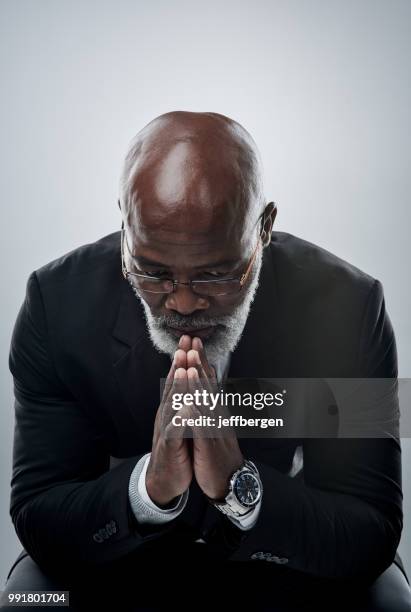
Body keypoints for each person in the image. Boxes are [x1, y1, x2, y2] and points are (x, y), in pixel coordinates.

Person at [3, 111, 411, 611]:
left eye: (216, 274)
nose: (183, 303)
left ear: (263, 228)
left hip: (286, 564)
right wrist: (149, 488)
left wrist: (242, 490)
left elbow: (371, 526)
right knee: (27, 601)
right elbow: (40, 511)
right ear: (125, 227)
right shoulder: (56, 304)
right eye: (153, 272)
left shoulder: (349, 307)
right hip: (117, 564)